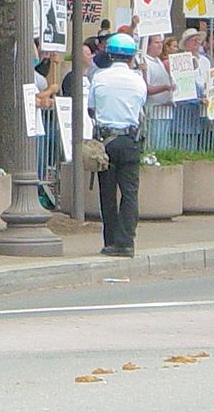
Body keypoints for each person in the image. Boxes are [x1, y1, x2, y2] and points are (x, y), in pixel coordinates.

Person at [89, 33, 147, 258]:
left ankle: (110, 240)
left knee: (108, 193)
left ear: (109, 54)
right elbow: (141, 104)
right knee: (130, 193)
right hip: (130, 139)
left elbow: (92, 108)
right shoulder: (137, 80)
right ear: (131, 56)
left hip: (106, 140)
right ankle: (127, 241)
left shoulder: (100, 78)